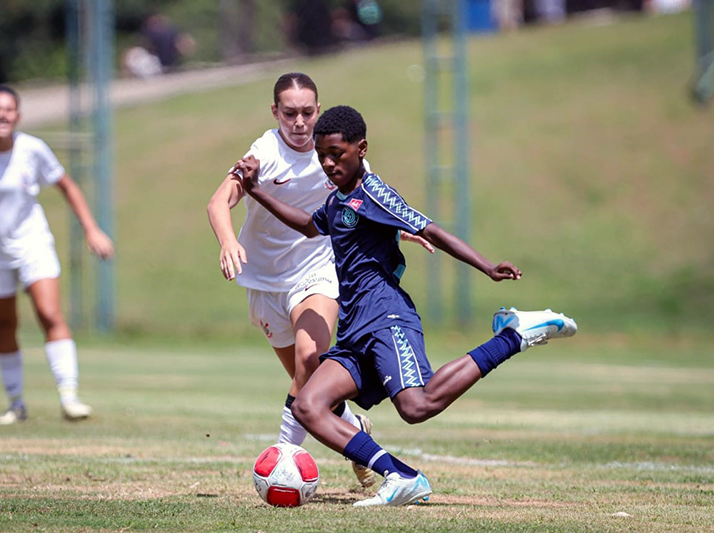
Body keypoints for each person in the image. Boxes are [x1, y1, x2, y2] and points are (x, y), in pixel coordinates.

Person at [235, 105, 578, 507]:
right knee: (309, 405)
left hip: (385, 316)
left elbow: (427, 227)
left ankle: (514, 335)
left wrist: (485, 266)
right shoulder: (338, 199)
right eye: (322, 155)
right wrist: (257, 190)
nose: (328, 164)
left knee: (417, 405)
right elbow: (310, 225)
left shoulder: (373, 192)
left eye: (337, 154)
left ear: (361, 149)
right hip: (354, 328)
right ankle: (401, 476)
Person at [207, 73, 431, 488]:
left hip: (319, 269)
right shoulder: (264, 152)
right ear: (275, 112)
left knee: (311, 359)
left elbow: (367, 204)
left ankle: (282, 463)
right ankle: (355, 431)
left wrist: (401, 228)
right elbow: (219, 201)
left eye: (308, 112)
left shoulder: (334, 149)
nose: (299, 122)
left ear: (317, 109)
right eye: (289, 113)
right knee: (307, 380)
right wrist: (226, 241)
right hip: (265, 281)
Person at [0, 85, 115, 425]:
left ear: (18, 116)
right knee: (5, 324)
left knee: (50, 314)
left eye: (8, 109)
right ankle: (16, 404)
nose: (2, 115)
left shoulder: (33, 149)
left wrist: (92, 229)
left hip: (34, 244)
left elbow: (68, 186)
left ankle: (69, 397)